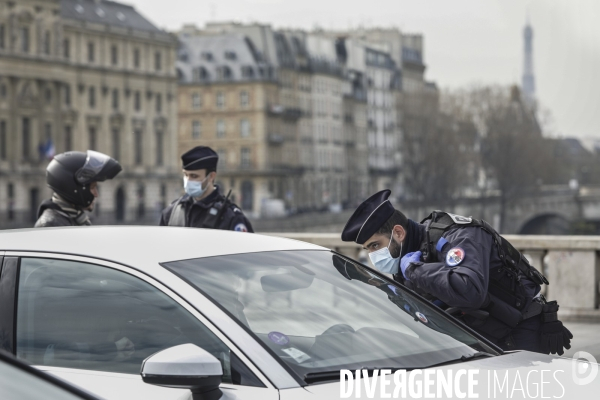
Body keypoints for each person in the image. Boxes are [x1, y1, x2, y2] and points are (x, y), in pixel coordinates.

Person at [341, 189, 572, 355]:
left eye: (375, 246)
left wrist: (415, 270)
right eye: (368, 249)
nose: (373, 256)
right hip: (477, 340)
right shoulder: (407, 256)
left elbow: (470, 291)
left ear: (398, 233)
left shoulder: (458, 236)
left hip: (519, 332)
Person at [160, 146, 254, 232]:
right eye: (185, 175)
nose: (188, 181)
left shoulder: (230, 217)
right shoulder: (172, 212)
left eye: (194, 176)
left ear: (211, 177)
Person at [35, 150, 122, 227]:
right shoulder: (51, 225)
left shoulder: (73, 218)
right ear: (73, 188)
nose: (96, 194)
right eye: (92, 187)